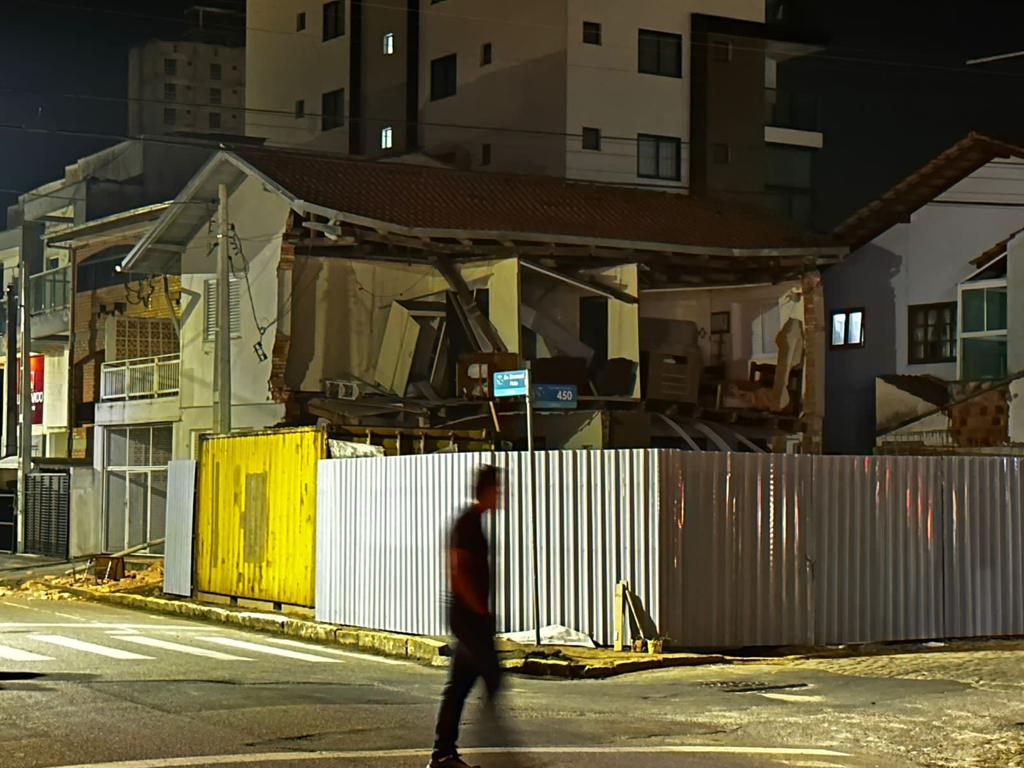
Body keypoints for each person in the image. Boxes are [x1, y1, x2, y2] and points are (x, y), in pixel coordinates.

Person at [428, 464, 503, 768]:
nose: (501, 495)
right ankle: (453, 750)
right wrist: (480, 611)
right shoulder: (468, 523)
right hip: (468, 617)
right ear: (487, 491)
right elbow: (457, 572)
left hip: (471, 617)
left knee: (461, 685)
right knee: (489, 677)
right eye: (497, 489)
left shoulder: (476, 522)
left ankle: (444, 753)